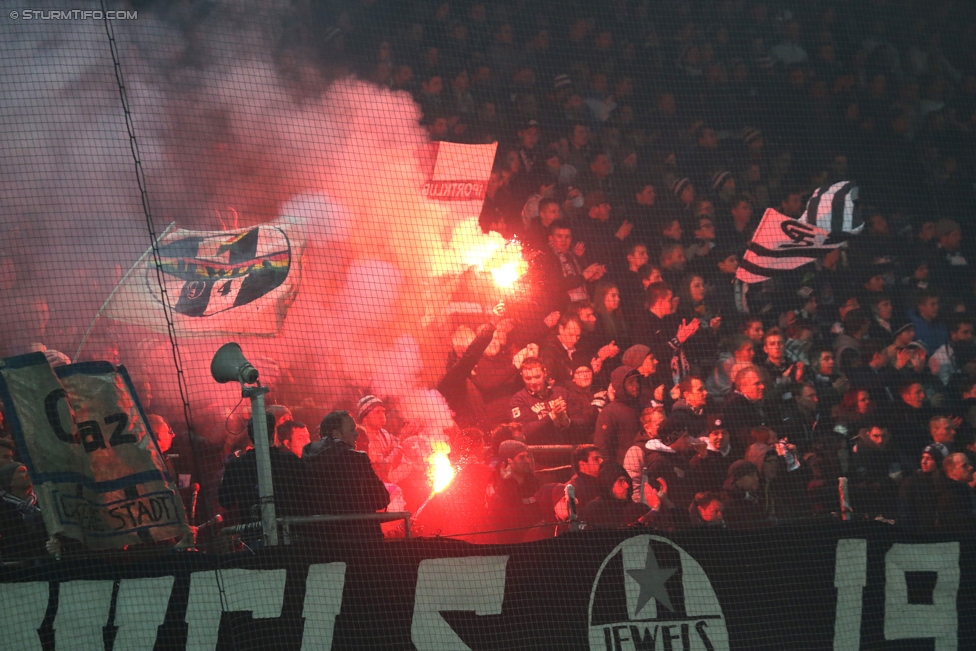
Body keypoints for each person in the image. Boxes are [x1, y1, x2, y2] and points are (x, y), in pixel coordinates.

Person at [303, 410, 391, 541]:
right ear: (336, 434)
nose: (356, 434)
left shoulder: (307, 458)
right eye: (351, 430)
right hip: (360, 539)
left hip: (320, 540)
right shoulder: (355, 459)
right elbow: (381, 498)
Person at [218, 413, 310, 530]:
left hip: (254, 533)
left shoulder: (236, 465)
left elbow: (225, 501)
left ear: (250, 435)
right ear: (274, 434)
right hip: (292, 533)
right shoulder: (291, 460)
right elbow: (308, 494)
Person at [486, 440, 547, 543]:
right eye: (521, 457)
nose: (527, 461)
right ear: (509, 461)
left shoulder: (534, 483)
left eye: (527, 456)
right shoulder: (495, 483)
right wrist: (504, 483)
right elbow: (502, 520)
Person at [509, 357, 572, 444]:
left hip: (564, 449)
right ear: (522, 376)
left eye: (537, 377)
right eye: (528, 378)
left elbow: (580, 425)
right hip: (536, 451)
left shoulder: (561, 392)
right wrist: (552, 415)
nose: (533, 382)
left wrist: (564, 420)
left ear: (545, 373)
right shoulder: (518, 399)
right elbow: (523, 431)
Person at [579, 461, 654, 529]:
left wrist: (659, 506)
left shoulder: (637, 509)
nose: (627, 485)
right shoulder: (592, 511)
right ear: (608, 484)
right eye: (621, 481)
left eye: (627, 480)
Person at [594, 365, 643, 463]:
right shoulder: (610, 411)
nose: (636, 385)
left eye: (637, 381)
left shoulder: (641, 407)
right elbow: (602, 445)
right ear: (620, 386)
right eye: (630, 382)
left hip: (644, 466)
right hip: (622, 469)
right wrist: (612, 472)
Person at [898, 444, 948, 531]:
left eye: (929, 458)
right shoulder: (911, 483)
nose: (923, 462)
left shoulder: (947, 483)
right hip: (919, 535)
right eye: (923, 457)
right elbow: (905, 513)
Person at [356, 395, 404, 483]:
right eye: (377, 412)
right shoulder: (358, 439)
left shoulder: (384, 433)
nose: (383, 416)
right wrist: (393, 452)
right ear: (365, 416)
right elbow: (383, 468)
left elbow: (399, 448)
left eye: (383, 412)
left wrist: (387, 459)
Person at [935, 453, 976, 534]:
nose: (971, 468)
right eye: (964, 466)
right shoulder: (951, 496)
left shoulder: (964, 490)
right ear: (951, 472)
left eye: (969, 464)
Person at [721, 460, 769, 529]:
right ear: (736, 479)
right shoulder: (729, 503)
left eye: (756, 475)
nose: (756, 478)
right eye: (751, 475)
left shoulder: (755, 497)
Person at [566, 444, 604, 509]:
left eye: (602, 458)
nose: (602, 461)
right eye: (596, 459)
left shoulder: (605, 483)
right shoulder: (573, 489)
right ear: (582, 464)